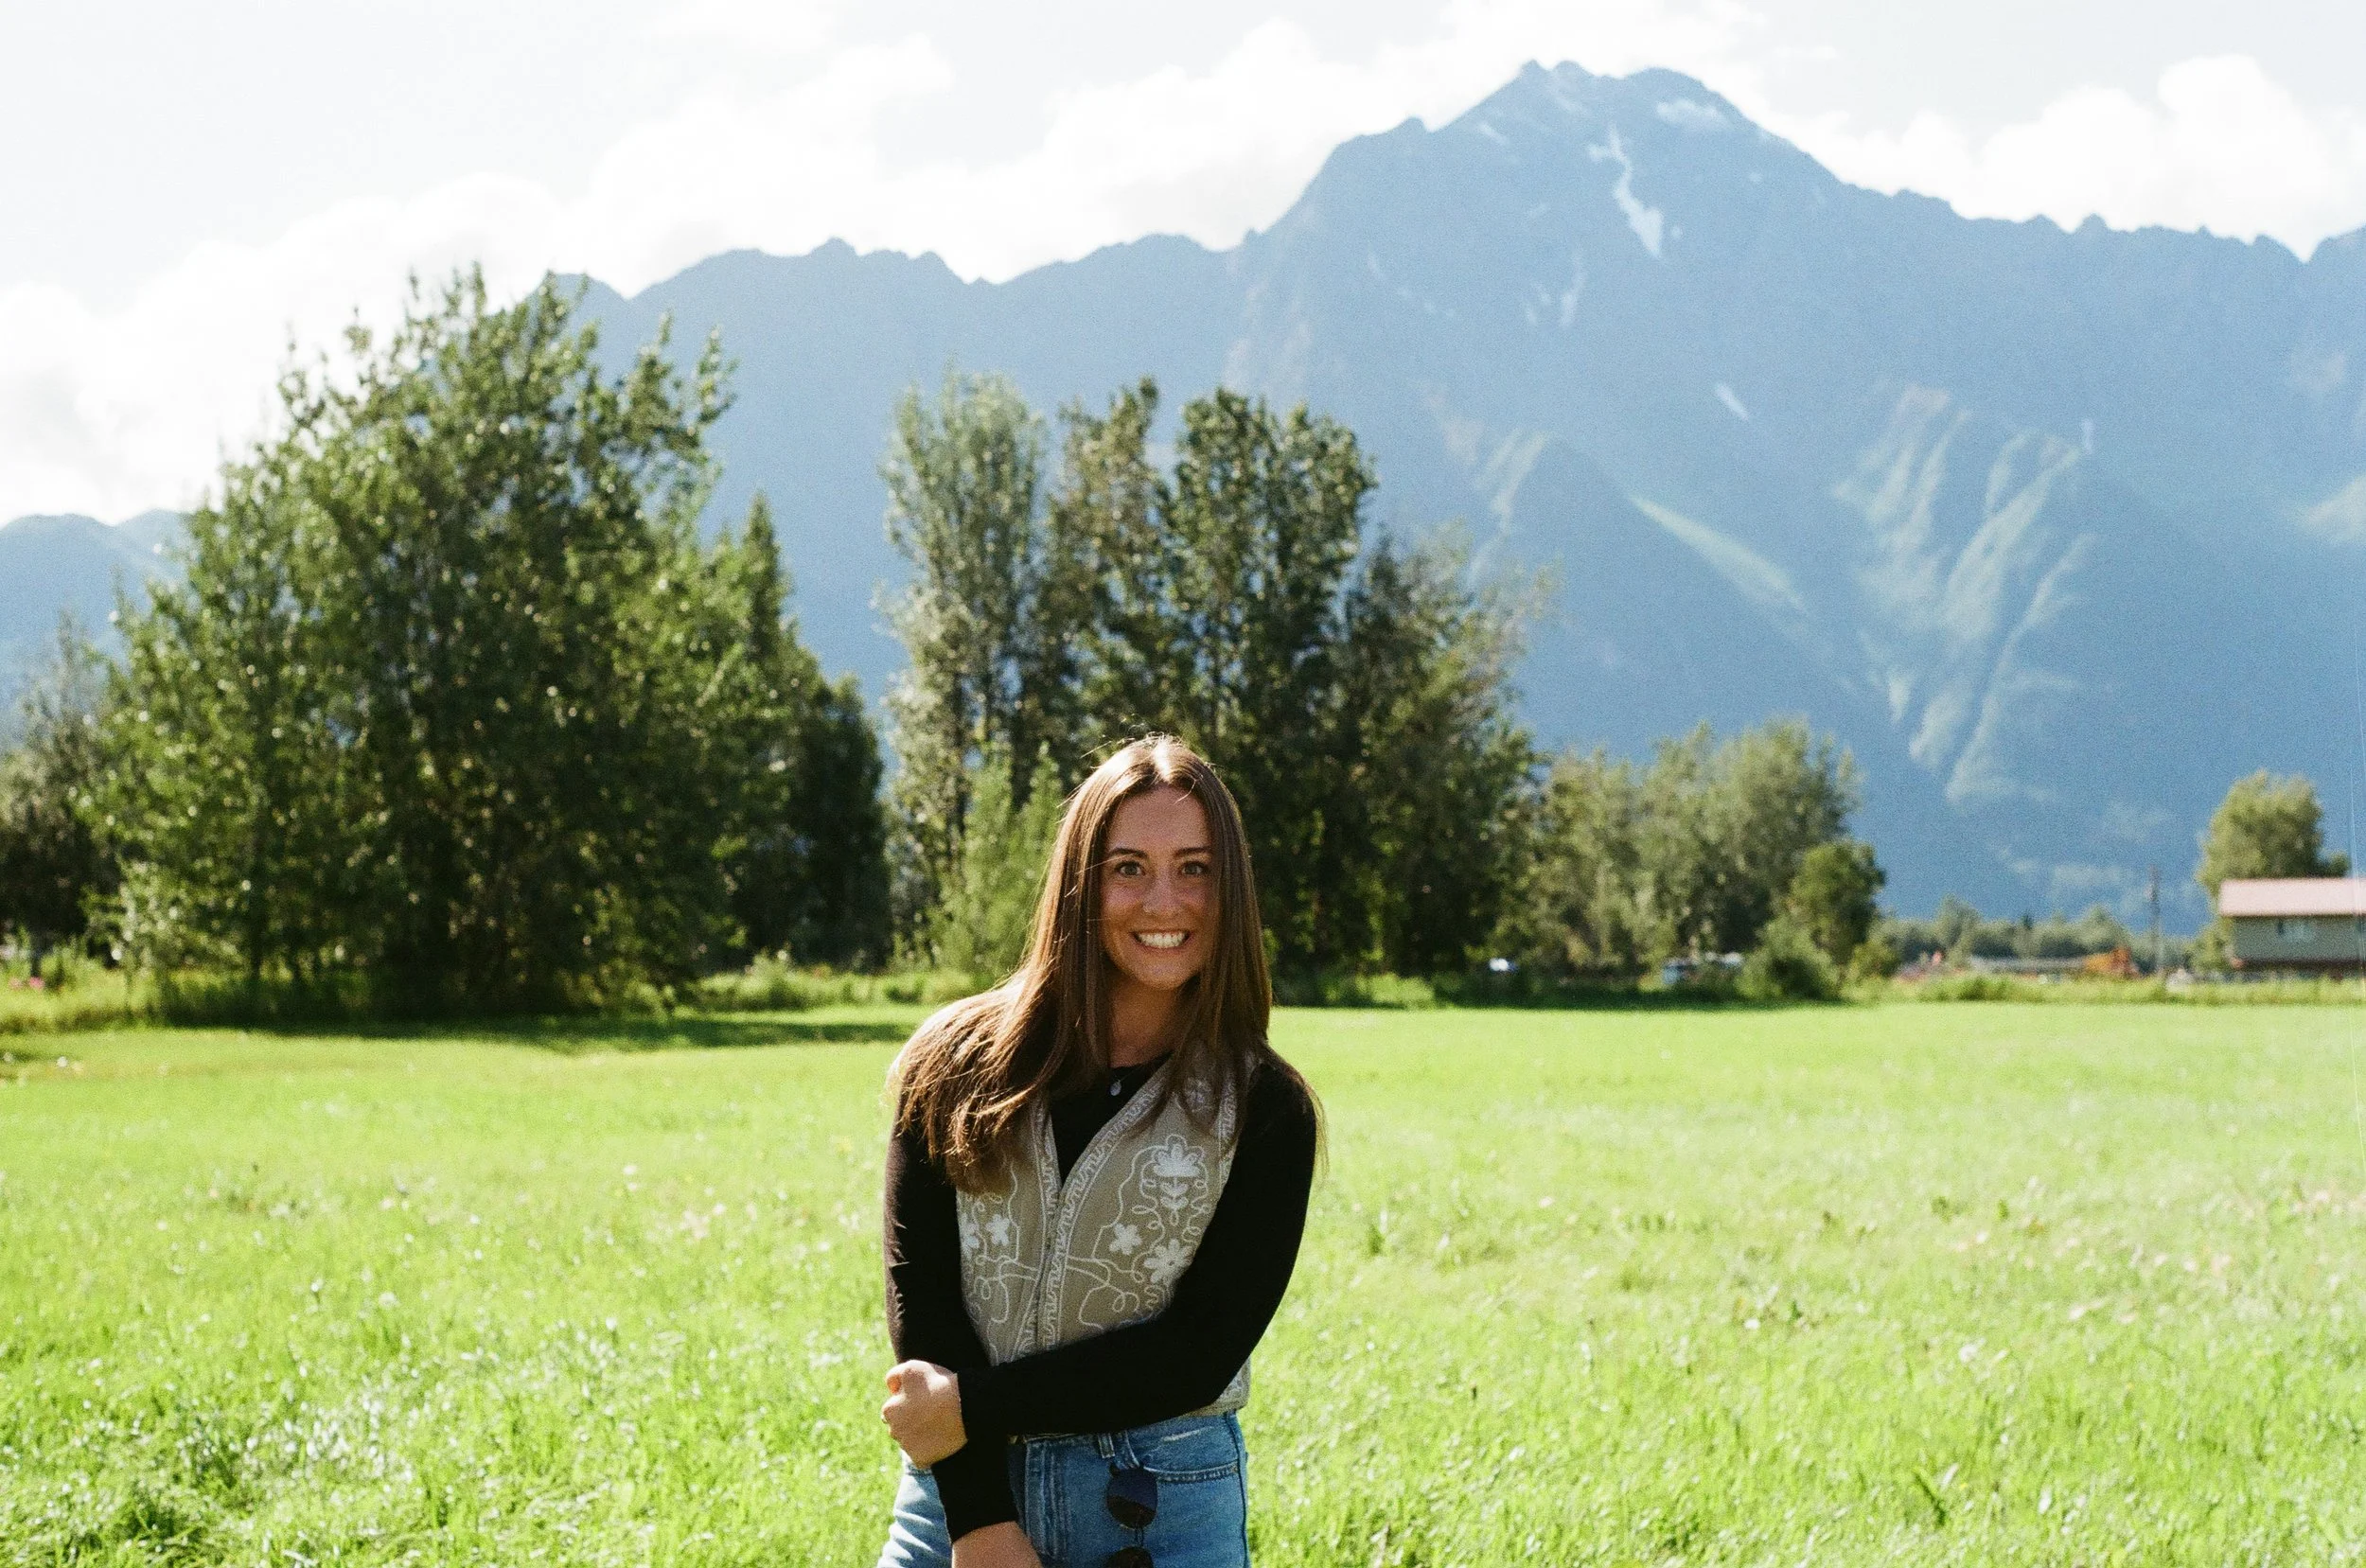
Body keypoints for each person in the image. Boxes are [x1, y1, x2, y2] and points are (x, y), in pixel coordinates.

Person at [876, 735, 1321, 1568]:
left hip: (1159, 1507)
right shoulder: (950, 1063)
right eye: (1129, 867)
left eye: (1195, 868)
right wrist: (979, 1520)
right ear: (1080, 881)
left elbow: (1199, 1349)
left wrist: (969, 1404)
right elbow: (922, 1291)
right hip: (953, 1502)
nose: (1165, 900)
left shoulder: (1265, 1108)